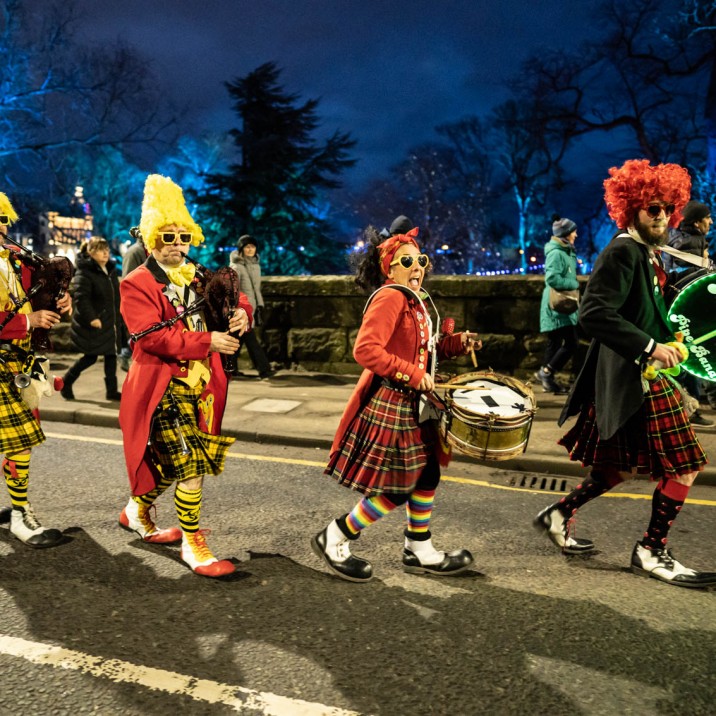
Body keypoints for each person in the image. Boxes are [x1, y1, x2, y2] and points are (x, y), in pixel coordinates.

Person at [534, 159, 716, 588]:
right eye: (652, 208)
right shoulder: (622, 251)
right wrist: (651, 348)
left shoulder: (645, 252)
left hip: (641, 376)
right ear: (630, 207)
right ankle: (650, 551)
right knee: (685, 465)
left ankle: (559, 513)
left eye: (667, 208)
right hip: (633, 375)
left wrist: (671, 339)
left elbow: (643, 311)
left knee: (620, 466)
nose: (661, 215)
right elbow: (594, 314)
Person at [312, 225, 480, 582]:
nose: (417, 266)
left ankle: (418, 548)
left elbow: (424, 351)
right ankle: (336, 535)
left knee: (428, 474)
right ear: (389, 268)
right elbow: (365, 350)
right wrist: (413, 375)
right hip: (395, 401)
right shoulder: (390, 297)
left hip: (416, 404)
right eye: (406, 261)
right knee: (397, 487)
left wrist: (456, 343)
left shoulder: (414, 300)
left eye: (421, 260)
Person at [118, 174, 252, 578]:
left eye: (184, 237)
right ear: (150, 240)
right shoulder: (136, 283)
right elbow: (151, 337)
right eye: (168, 237)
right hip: (162, 387)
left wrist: (243, 313)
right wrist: (207, 341)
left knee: (168, 464)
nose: (177, 245)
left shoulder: (197, 274)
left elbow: (237, 297)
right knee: (191, 464)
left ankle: (136, 511)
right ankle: (193, 546)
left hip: (202, 386)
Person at [0, 191, 72, 547]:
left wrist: (61, 300)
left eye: (2, 219)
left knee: (16, 441)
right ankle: (20, 516)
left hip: (18, 362)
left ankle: (16, 509)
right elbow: (26, 315)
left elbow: (42, 296)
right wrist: (27, 321)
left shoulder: (15, 260)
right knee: (21, 441)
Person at [662, 200, 716, 423]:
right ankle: (689, 408)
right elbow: (692, 283)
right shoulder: (690, 243)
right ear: (696, 222)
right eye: (707, 218)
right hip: (688, 315)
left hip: (677, 312)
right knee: (689, 360)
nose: (710, 222)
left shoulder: (680, 239)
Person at [60, 237, 122, 401]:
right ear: (90, 252)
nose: (105, 253)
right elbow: (81, 299)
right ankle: (66, 381)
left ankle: (112, 391)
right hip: (94, 323)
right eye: (101, 250)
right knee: (90, 357)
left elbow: (115, 296)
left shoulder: (109, 270)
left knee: (111, 355)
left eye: (107, 250)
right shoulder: (84, 272)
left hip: (109, 321)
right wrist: (92, 318)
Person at [533, 215, 580, 394]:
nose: (576, 235)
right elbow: (552, 278)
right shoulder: (557, 253)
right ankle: (547, 373)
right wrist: (574, 284)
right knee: (571, 343)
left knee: (554, 343)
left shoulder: (565, 252)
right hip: (557, 306)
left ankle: (547, 377)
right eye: (573, 232)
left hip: (560, 304)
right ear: (566, 234)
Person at [229, 234, 273, 379]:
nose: (250, 249)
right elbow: (232, 290)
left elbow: (256, 289)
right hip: (241, 310)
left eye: (252, 247)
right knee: (251, 340)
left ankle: (229, 369)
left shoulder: (255, 266)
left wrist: (260, 305)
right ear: (241, 249)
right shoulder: (236, 267)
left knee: (238, 340)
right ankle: (264, 369)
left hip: (252, 308)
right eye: (247, 247)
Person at [118, 228, 148, 372]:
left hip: (146, 298)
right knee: (143, 333)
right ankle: (125, 355)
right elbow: (128, 279)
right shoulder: (135, 252)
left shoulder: (145, 250)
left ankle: (126, 355)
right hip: (140, 300)